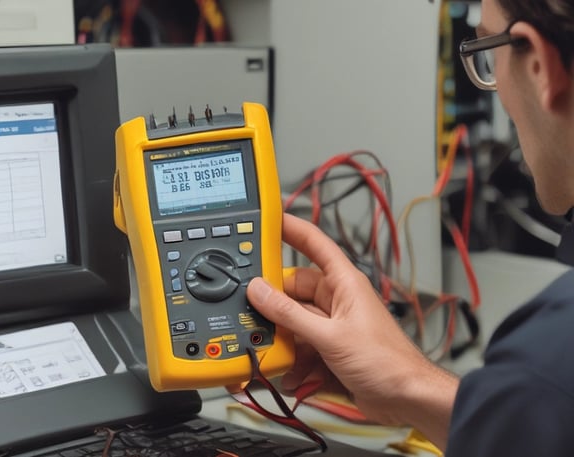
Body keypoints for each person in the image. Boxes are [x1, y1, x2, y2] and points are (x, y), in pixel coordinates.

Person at [245, 0, 574, 455]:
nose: (493, 85)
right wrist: (407, 384)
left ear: (537, 65)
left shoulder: (545, 364)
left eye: (487, 53)